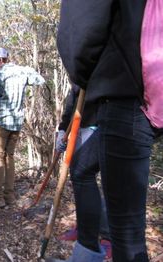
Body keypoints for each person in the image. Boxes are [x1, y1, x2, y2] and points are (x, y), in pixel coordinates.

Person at [57, 1, 158, 261]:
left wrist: (83, 73)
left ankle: (95, 246)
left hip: (125, 95)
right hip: (145, 92)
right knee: (81, 168)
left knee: (127, 234)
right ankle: (87, 251)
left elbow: (82, 31)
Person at [0, 47, 45, 209]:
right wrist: (26, 70)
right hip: (16, 122)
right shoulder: (22, 72)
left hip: (1, 122)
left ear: (1, 60)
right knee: (9, 157)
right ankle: (9, 196)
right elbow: (40, 80)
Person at [56, 84, 112, 260]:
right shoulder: (79, 66)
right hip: (80, 125)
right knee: (79, 176)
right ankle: (85, 227)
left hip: (103, 123)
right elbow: (73, 97)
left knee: (103, 180)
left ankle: (107, 237)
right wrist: (63, 128)